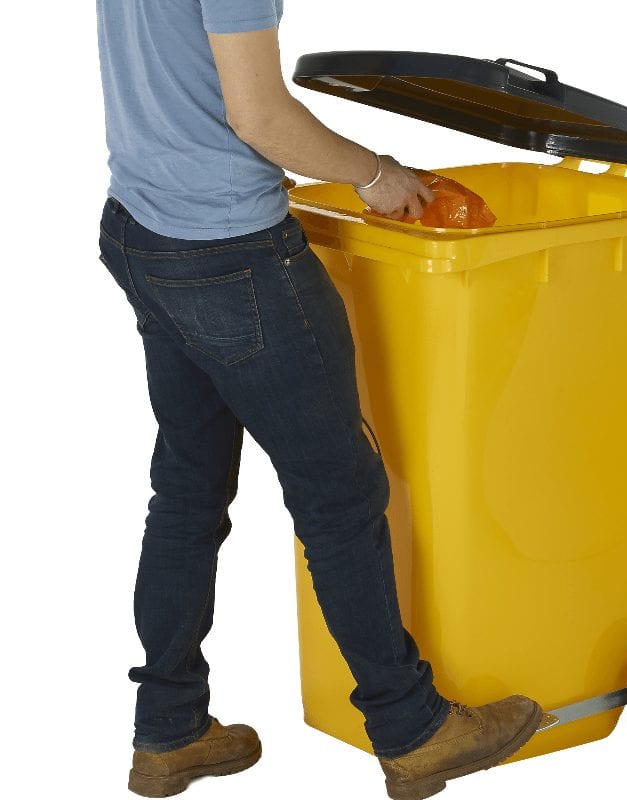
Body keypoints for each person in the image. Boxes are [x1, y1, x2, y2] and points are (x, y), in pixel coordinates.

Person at [95, 2, 544, 798]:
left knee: (188, 491)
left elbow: (176, 75)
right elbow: (260, 116)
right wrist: (375, 173)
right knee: (339, 496)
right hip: (231, 253)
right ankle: (413, 730)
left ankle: (168, 730)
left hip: (144, 229)